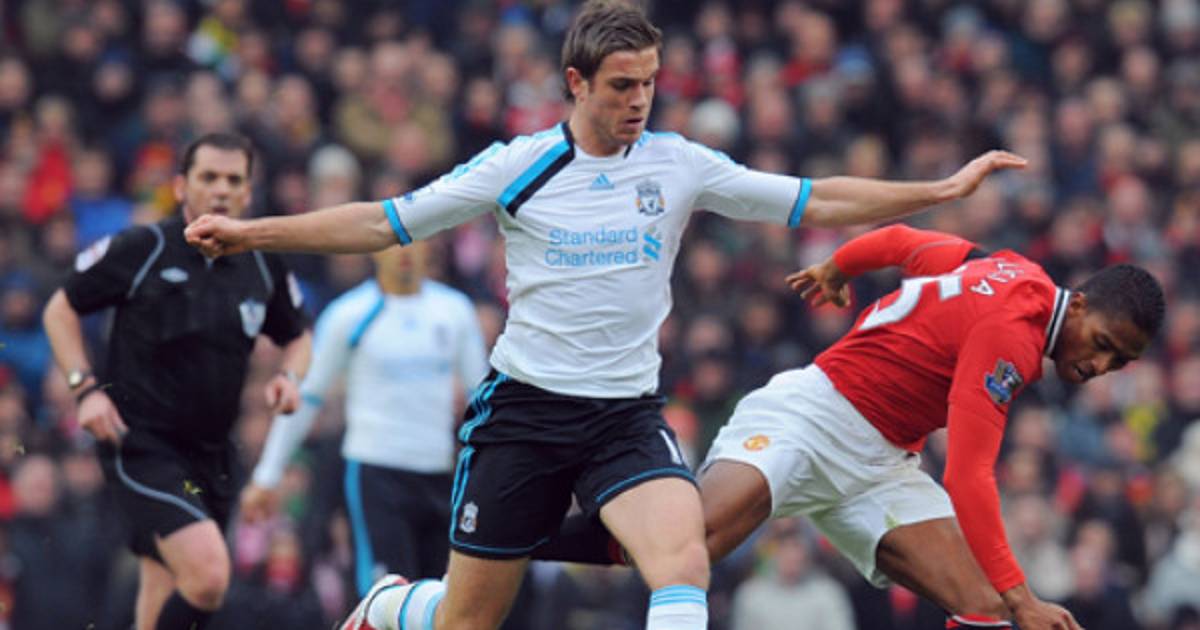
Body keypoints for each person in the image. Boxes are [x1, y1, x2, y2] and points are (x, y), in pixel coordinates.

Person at [183, 2, 1025, 628]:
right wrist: (252, 233)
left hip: (624, 416)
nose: (640, 101)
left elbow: (812, 198)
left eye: (651, 83)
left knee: (682, 561)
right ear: (576, 83)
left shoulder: (679, 164)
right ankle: (390, 606)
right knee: (465, 620)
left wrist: (939, 190)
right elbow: (381, 223)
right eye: (623, 85)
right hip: (523, 415)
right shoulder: (517, 167)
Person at [534, 223, 1165, 630]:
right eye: (1102, 343)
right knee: (684, 544)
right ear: (1079, 305)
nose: (1100, 366)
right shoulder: (1014, 340)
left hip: (881, 464)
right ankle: (520, 528)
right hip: (814, 417)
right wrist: (1026, 595)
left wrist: (839, 266)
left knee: (985, 609)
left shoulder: (1013, 269)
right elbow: (969, 476)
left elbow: (904, 243)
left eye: (1120, 362)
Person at [42, 132, 312, 630]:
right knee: (208, 577)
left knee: (163, 590)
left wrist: (289, 377)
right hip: (142, 444)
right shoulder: (143, 248)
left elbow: (298, 335)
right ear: (181, 186)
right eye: (209, 177)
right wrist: (85, 389)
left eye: (233, 180)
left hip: (213, 455)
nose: (221, 189)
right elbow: (60, 309)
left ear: (248, 192)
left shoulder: (261, 262)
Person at [240, 240, 488, 595]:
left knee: (437, 599)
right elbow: (307, 397)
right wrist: (267, 475)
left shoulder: (454, 311)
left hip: (439, 474)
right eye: (394, 241)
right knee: (386, 596)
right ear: (374, 248)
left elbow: (482, 399)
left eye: (414, 239)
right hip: (376, 474)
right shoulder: (350, 314)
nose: (404, 251)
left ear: (430, 247)